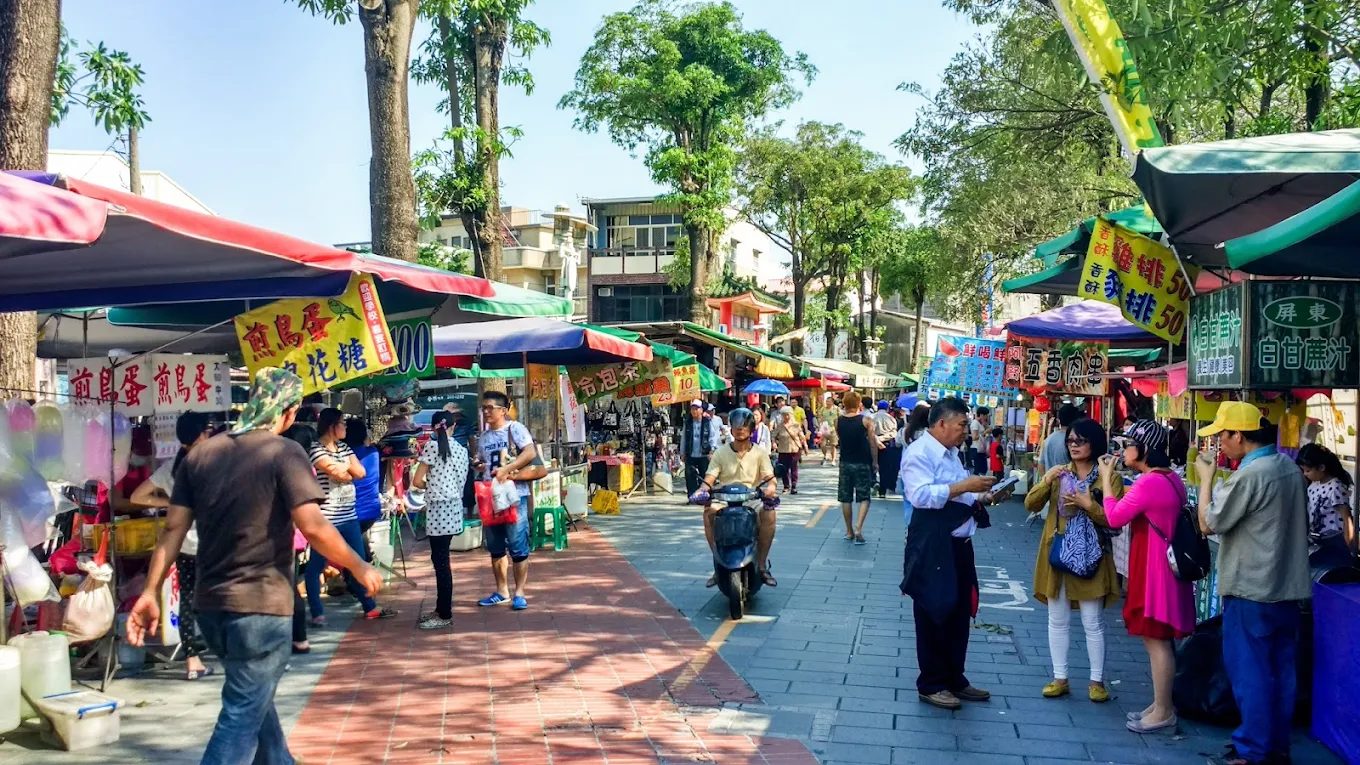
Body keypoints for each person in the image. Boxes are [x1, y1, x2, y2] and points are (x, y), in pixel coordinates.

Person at [126, 367, 384, 765]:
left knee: (251, 695)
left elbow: (173, 529)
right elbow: (313, 526)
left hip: (211, 606)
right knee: (241, 713)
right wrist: (358, 565)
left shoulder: (200, 455)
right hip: (260, 607)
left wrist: (149, 591)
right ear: (289, 410)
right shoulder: (284, 452)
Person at [1195, 403, 1311, 765]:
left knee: (1253, 673)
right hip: (1286, 589)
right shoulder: (1288, 469)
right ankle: (1274, 745)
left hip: (1252, 588)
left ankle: (1254, 750)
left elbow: (1209, 523)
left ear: (1238, 436)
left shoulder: (1251, 474)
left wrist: (1206, 481)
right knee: (1280, 672)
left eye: (1221, 436)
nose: (1219, 444)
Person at [899, 397, 1005, 710]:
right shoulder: (919, 453)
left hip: (959, 544)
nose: (965, 432)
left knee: (959, 610)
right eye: (961, 425)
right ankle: (931, 683)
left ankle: (955, 677)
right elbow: (920, 495)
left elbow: (961, 493)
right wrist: (964, 487)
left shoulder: (951, 454)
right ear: (942, 423)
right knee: (934, 609)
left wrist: (984, 494)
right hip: (933, 544)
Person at [1099, 420, 1194, 735]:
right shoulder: (1169, 479)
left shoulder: (1148, 483)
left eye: (1128, 444)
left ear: (1144, 449)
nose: (1124, 449)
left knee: (1156, 640)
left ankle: (1164, 711)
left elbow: (1114, 516)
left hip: (1155, 571)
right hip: (1164, 567)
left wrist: (1106, 482)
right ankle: (1160, 704)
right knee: (1159, 640)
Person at [1023, 417, 1120, 703]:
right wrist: (1046, 480)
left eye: (1081, 440)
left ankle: (1096, 681)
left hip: (1091, 555)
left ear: (1094, 442)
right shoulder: (1060, 473)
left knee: (1093, 621)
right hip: (1057, 552)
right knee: (1057, 618)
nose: (1074, 445)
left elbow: (1114, 519)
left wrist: (1088, 505)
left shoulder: (1108, 475)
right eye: (1071, 441)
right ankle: (1059, 677)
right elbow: (1031, 504)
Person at [129, 411, 217, 681]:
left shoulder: (172, 467)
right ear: (202, 434)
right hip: (214, 544)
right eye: (209, 430)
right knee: (221, 598)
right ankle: (232, 651)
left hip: (183, 546)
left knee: (188, 602)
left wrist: (168, 505)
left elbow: (137, 496)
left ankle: (192, 661)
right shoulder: (213, 464)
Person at [304, 408, 395, 625]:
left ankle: (369, 607)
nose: (345, 427)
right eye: (342, 423)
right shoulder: (315, 449)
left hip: (349, 515)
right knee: (316, 565)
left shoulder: (344, 447)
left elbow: (360, 472)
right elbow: (337, 472)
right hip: (327, 518)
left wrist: (344, 469)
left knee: (359, 562)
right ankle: (317, 612)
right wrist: (346, 470)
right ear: (331, 426)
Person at [690, 407, 779, 587]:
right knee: (709, 512)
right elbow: (709, 478)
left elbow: (770, 478)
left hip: (752, 498)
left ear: (751, 429)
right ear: (730, 428)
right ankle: (717, 565)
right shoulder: (721, 452)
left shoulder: (760, 453)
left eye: (744, 426)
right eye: (736, 426)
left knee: (769, 514)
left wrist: (771, 488)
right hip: (725, 499)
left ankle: (762, 565)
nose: (740, 429)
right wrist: (701, 490)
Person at [474, 390, 539, 611]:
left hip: (514, 496)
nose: (486, 412)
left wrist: (508, 469)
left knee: (517, 544)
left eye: (490, 407)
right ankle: (501, 590)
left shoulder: (515, 429)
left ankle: (520, 592)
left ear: (503, 410)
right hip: (489, 495)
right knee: (495, 546)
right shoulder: (483, 437)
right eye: (484, 408)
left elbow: (529, 453)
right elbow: (484, 461)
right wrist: (480, 465)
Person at [412, 411, 470, 630]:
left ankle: (444, 613)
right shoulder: (462, 450)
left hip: (437, 511)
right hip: (454, 510)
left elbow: (417, 481)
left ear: (434, 427)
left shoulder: (431, 447)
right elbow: (461, 481)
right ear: (453, 427)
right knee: (442, 561)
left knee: (441, 563)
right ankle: (440, 609)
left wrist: (431, 486)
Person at [1296, 442, 1355, 568]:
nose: (1305, 474)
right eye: (1303, 470)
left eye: (1308, 470)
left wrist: (1349, 543)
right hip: (1318, 538)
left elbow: (1347, 518)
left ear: (1321, 468)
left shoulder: (1335, 487)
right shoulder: (1313, 485)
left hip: (1335, 540)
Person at [837, 391, 879, 544]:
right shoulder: (866, 421)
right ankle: (859, 528)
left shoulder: (838, 421)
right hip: (862, 462)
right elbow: (872, 442)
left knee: (845, 497)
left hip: (845, 462)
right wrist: (875, 461)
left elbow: (840, 438)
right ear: (858, 403)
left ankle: (849, 531)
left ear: (844, 404)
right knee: (864, 497)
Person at [343, 417, 382, 562]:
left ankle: (357, 578)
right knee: (359, 538)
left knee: (352, 553)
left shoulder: (344, 456)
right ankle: (367, 562)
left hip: (354, 513)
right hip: (372, 511)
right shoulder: (373, 452)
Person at [682, 400, 720, 497]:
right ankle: (692, 496)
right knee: (690, 476)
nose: (694, 411)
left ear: (701, 410)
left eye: (696, 409)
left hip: (704, 454)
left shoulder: (707, 422)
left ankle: (706, 495)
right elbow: (683, 439)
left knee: (705, 475)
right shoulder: (688, 422)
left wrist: (712, 451)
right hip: (690, 454)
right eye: (692, 409)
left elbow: (713, 437)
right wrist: (682, 452)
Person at [1039, 403, 1083, 474]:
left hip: (1050, 482)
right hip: (1069, 484)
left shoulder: (1048, 439)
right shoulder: (1074, 442)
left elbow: (1041, 466)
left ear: (1059, 420)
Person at [772, 403, 806, 494]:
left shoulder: (796, 425)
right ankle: (786, 486)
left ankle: (794, 485)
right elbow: (774, 435)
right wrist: (774, 442)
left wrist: (805, 444)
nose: (786, 417)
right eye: (784, 415)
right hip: (783, 449)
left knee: (793, 467)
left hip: (794, 449)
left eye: (787, 414)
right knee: (784, 468)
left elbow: (801, 436)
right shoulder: (780, 425)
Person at [872, 401, 900, 497]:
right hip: (886, 444)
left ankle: (873, 482)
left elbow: (869, 432)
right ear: (887, 408)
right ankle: (882, 491)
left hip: (873, 444)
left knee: (872, 465)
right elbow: (894, 433)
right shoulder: (891, 419)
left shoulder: (872, 417)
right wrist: (883, 438)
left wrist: (876, 439)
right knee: (884, 468)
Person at [819, 394, 841, 466]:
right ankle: (825, 456)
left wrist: (838, 428)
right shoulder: (823, 409)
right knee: (822, 444)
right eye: (826, 401)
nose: (827, 403)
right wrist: (820, 426)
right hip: (825, 429)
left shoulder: (836, 409)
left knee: (833, 445)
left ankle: (833, 459)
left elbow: (840, 418)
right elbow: (820, 417)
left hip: (833, 429)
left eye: (829, 401)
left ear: (832, 402)